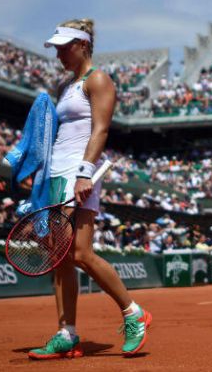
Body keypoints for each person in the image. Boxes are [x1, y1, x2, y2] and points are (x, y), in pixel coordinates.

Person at [27, 19, 151, 360]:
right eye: (57, 48)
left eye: (65, 47)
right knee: (60, 258)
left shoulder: (98, 79)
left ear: (83, 45)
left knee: (80, 252)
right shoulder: (66, 86)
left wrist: (84, 173)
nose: (60, 54)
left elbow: (100, 130)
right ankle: (66, 333)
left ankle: (133, 313)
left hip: (78, 172)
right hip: (55, 174)